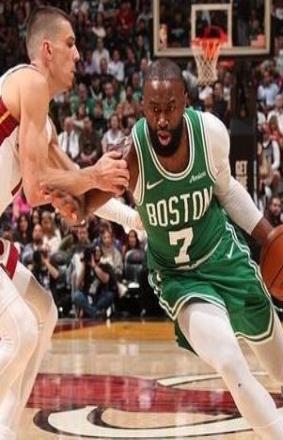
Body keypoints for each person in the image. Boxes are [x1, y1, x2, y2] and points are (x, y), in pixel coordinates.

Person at [81, 59, 283, 440]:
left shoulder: (210, 132)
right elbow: (88, 203)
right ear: (142, 107)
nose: (162, 119)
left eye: (170, 108)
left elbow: (227, 192)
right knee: (229, 362)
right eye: (153, 109)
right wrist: (131, 218)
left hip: (225, 259)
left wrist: (269, 236)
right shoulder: (130, 154)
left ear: (185, 101)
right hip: (179, 278)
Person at [0, 6, 137, 438]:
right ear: (47, 49)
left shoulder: (43, 124)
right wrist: (92, 176)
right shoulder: (30, 82)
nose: (78, 55)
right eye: (70, 44)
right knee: (21, 329)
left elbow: (75, 189)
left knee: (44, 313)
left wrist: (136, 221)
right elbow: (36, 188)